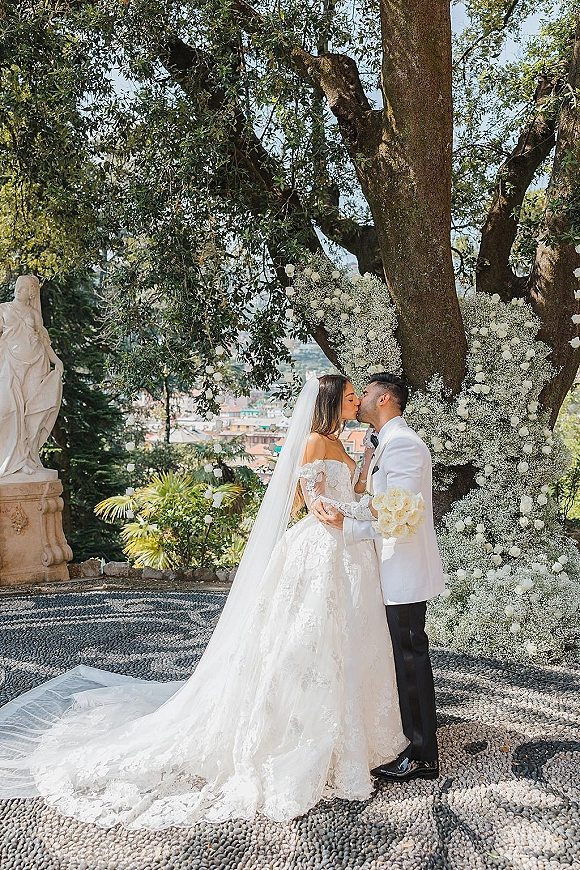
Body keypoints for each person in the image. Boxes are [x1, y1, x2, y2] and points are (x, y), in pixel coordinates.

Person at [0, 375, 407, 829]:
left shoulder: (340, 441)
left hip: (347, 550)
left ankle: (350, 733)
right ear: (331, 402)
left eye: (357, 396)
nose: (355, 402)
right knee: (312, 639)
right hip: (323, 548)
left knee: (347, 640)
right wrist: (357, 515)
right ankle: (309, 736)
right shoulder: (313, 441)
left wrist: (366, 466)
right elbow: (315, 504)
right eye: (350, 396)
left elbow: (350, 491)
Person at [312, 373, 443, 782]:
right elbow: (380, 506)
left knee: (410, 659)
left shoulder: (402, 445)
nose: (360, 399)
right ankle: (416, 741)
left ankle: (422, 756)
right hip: (392, 567)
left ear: (384, 398)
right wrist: (348, 512)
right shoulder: (386, 443)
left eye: (365, 393)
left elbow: (400, 517)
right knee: (405, 656)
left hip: (402, 568)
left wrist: (345, 528)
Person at [0, 274, 63, 477]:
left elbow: (44, 342)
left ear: (32, 292)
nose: (19, 289)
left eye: (24, 287)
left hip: (36, 362)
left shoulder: (35, 315)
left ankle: (27, 458)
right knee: (11, 409)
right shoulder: (3, 309)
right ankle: (11, 460)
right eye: (18, 285)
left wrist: (57, 361)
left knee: (30, 411)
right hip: (11, 364)